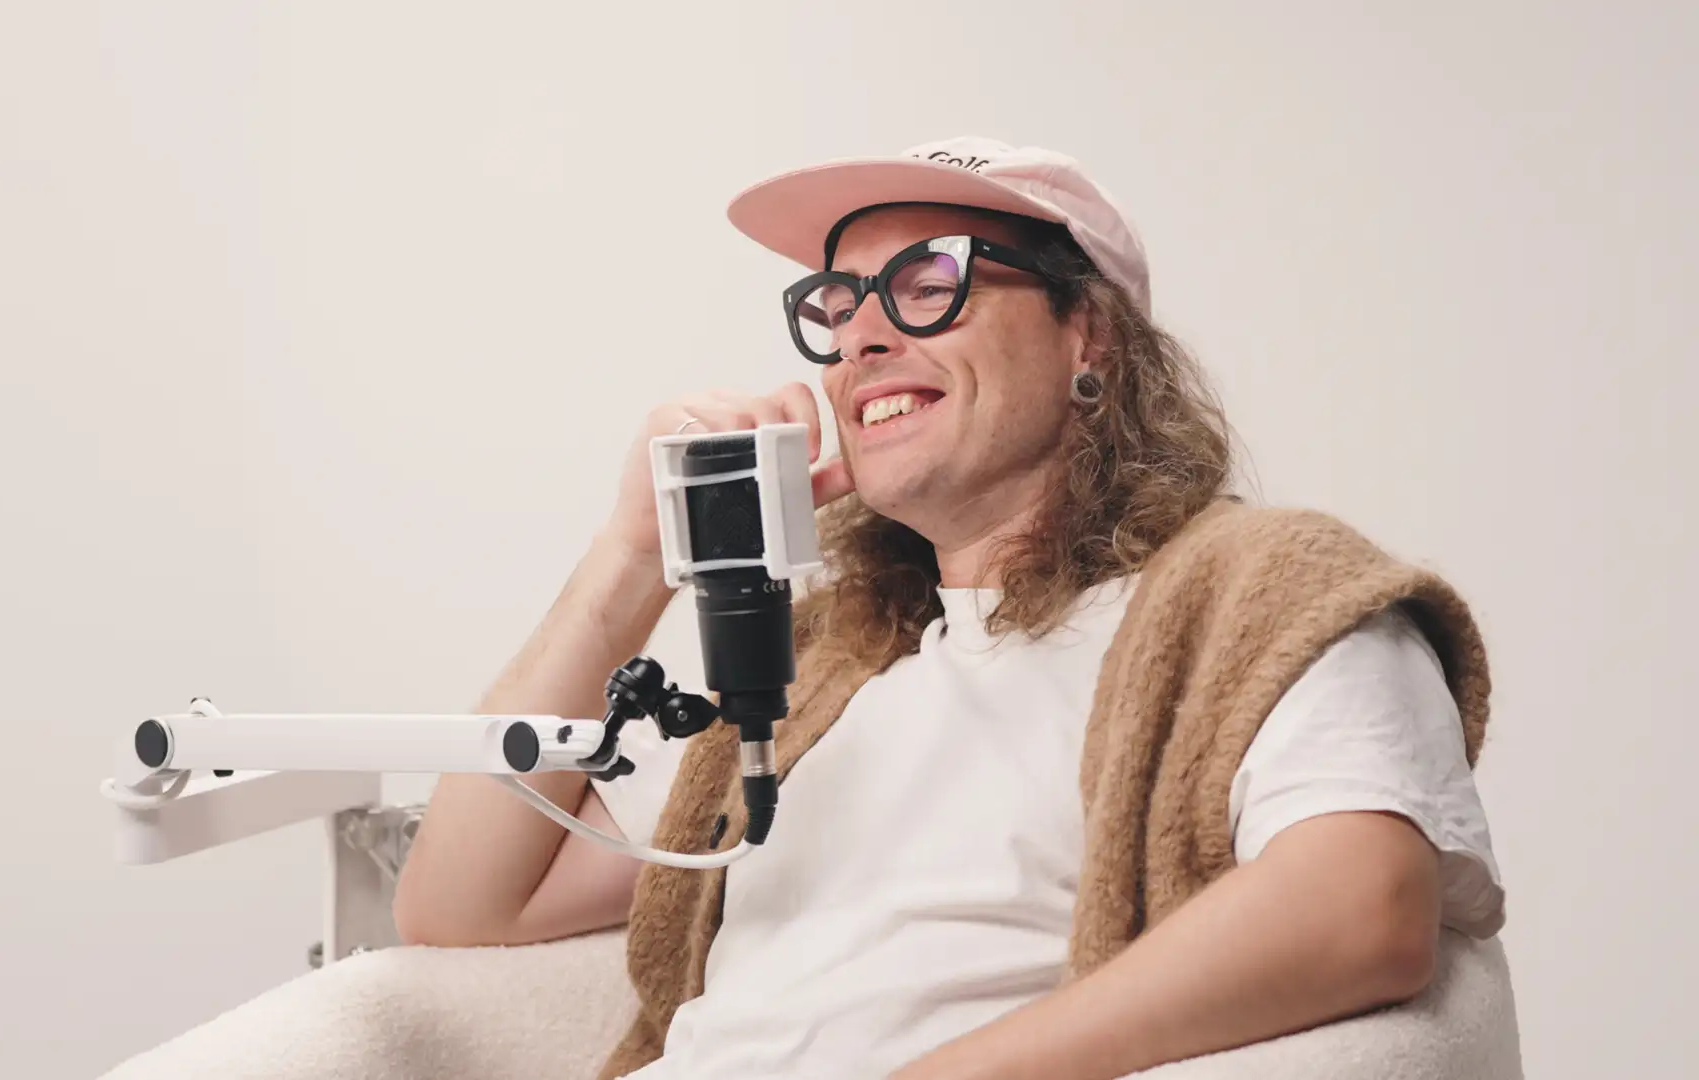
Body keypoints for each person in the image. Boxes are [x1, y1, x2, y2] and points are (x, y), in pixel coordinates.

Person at [393, 137, 1505, 1080]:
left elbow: (1363, 906)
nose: (862, 338)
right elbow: (463, 902)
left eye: (930, 282)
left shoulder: (1255, 597)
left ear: (1089, 334)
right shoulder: (825, 678)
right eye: (838, 306)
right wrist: (636, 550)